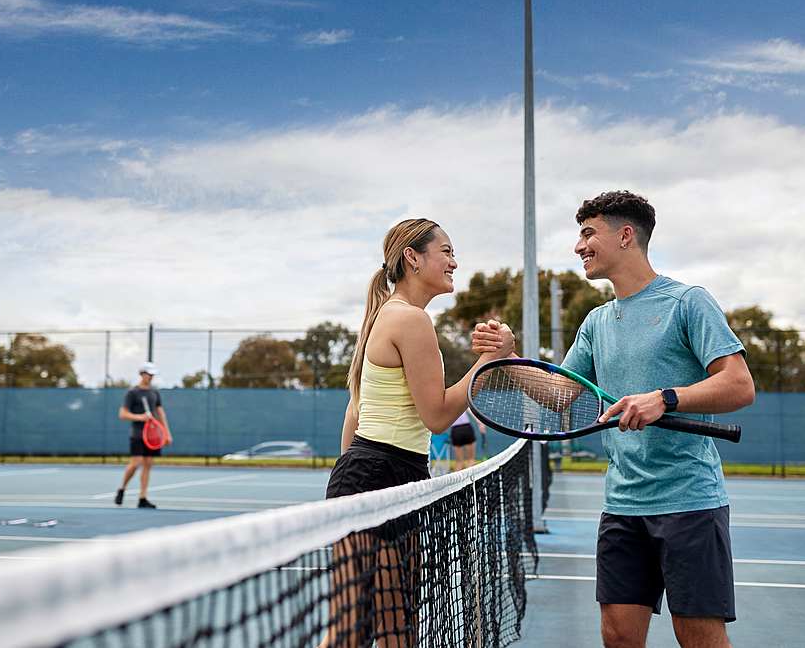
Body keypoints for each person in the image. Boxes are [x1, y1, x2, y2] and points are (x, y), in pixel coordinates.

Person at [474, 191, 754, 648]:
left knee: (698, 637)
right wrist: (508, 358)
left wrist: (665, 398)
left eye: (588, 234)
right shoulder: (596, 322)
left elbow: (739, 384)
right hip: (623, 504)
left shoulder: (688, 303)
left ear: (626, 236)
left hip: (689, 502)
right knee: (618, 635)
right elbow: (559, 394)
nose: (579, 246)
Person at [320, 218, 514, 648]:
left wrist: (350, 480)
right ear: (413, 257)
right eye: (446, 251)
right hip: (381, 475)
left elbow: (355, 413)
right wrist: (489, 361)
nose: (454, 261)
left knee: (360, 631)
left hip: (376, 475)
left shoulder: (387, 316)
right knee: (379, 632)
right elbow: (438, 416)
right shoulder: (410, 320)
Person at [115, 362, 173, 509]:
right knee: (136, 463)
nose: (151, 377)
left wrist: (166, 433)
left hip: (153, 436)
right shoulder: (132, 392)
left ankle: (143, 498)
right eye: (148, 374)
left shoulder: (155, 392)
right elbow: (122, 414)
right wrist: (140, 417)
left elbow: (160, 412)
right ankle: (122, 489)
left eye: (153, 374)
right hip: (137, 434)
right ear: (142, 374)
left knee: (148, 464)